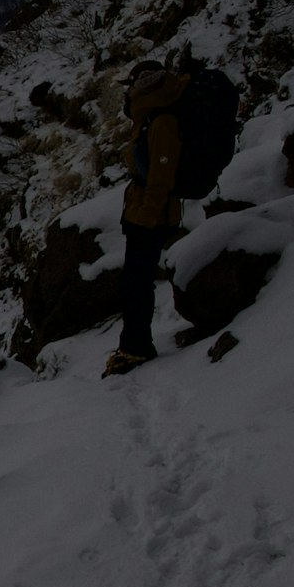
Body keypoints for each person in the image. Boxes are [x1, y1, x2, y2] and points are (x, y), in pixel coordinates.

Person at [106, 57, 188, 377]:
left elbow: (161, 179)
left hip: (150, 216)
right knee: (134, 282)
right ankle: (133, 343)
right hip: (143, 212)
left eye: (130, 89)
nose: (127, 96)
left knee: (137, 284)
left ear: (142, 88)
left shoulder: (162, 121)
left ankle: (136, 347)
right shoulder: (150, 118)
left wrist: (146, 216)